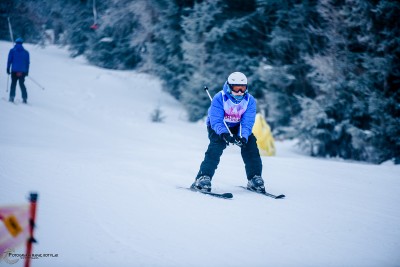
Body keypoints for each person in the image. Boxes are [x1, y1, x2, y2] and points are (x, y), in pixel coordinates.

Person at [191, 72, 265, 193]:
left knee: (250, 144)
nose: (240, 92)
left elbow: (247, 122)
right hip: (218, 127)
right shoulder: (219, 98)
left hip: (237, 126)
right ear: (230, 87)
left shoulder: (249, 100)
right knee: (217, 145)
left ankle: (254, 178)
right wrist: (224, 134)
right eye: (236, 88)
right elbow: (216, 120)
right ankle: (203, 178)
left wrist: (243, 137)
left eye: (243, 88)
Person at [7, 38, 30, 103]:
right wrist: (27, 71)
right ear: (22, 43)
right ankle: (24, 98)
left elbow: (9, 60)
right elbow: (27, 63)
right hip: (22, 72)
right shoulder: (26, 52)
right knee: (21, 84)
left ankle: (11, 97)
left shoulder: (12, 51)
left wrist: (8, 68)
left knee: (13, 84)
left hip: (14, 71)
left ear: (16, 43)